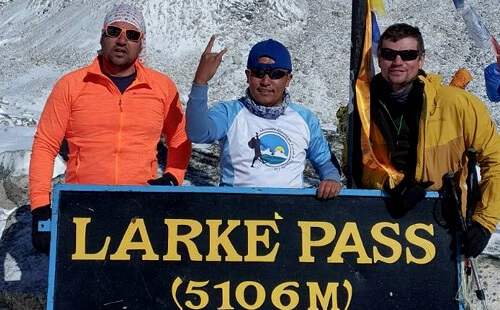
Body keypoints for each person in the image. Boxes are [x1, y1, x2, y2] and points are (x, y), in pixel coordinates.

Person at [29, 3, 192, 254]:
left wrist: (172, 178)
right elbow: (45, 145)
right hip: (82, 208)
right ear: (103, 36)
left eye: (132, 35)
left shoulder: (161, 87)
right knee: (84, 288)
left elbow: (179, 137)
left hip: (143, 208)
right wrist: (40, 207)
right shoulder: (71, 85)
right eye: (114, 31)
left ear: (141, 43)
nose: (122, 40)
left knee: (140, 287)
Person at [357, 23, 500, 258]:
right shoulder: (362, 109)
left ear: (421, 59)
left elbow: (495, 160)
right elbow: (357, 164)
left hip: (445, 228)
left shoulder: (459, 104)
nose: (398, 62)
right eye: (389, 54)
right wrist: (391, 184)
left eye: (408, 54)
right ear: (379, 58)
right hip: (381, 228)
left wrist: (484, 222)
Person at [186, 36, 342, 199]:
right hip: (235, 213)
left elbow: (325, 162)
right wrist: (200, 81)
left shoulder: (306, 119)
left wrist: (331, 179)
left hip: (290, 215)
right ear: (248, 76)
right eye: (259, 73)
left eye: (276, 74)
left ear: (288, 79)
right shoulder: (229, 112)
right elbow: (198, 133)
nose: (266, 81)